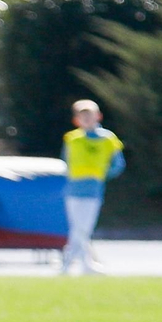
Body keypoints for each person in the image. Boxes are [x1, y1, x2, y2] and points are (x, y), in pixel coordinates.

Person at [61, 99, 125, 275]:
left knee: (84, 228)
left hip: (93, 191)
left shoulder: (108, 139)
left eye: (90, 115)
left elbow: (118, 164)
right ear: (76, 120)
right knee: (78, 229)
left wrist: (102, 176)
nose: (87, 119)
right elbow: (66, 161)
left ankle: (70, 265)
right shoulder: (72, 139)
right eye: (82, 116)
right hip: (73, 189)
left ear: (98, 116)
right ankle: (82, 265)